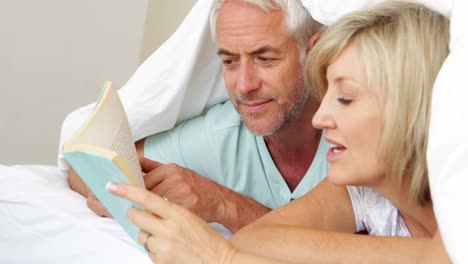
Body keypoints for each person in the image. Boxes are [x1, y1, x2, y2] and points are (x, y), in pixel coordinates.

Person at [109, 1, 453, 263]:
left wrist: (218, 256)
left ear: (412, 106)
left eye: (346, 98)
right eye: (229, 61)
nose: (322, 118)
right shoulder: (362, 193)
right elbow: (251, 242)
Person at [69, 0, 328, 233]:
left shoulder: (355, 138)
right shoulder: (221, 135)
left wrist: (225, 205)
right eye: (230, 62)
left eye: (265, 58)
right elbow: (84, 168)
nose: (244, 86)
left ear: (314, 53)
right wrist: (114, 190)